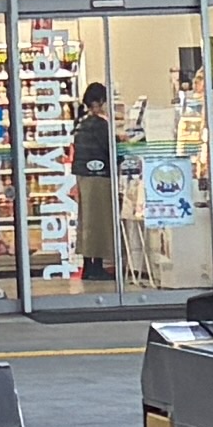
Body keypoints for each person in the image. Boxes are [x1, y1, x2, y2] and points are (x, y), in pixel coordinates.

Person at [71, 80, 119, 289]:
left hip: (84, 176)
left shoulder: (80, 122)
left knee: (87, 222)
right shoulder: (99, 124)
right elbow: (110, 149)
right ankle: (96, 266)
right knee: (99, 222)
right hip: (98, 176)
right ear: (99, 101)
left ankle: (87, 265)